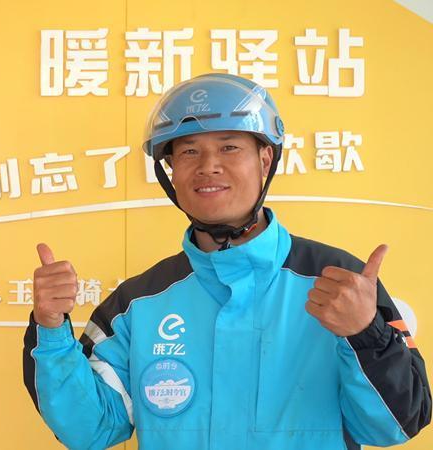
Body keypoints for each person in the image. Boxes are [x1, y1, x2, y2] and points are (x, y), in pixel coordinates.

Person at [22, 73, 431, 450]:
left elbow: (397, 423)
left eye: (229, 147)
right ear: (170, 171)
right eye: (189, 151)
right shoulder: (137, 303)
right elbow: (90, 428)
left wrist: (365, 334)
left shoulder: (340, 284)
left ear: (265, 160)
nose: (208, 166)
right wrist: (51, 329)